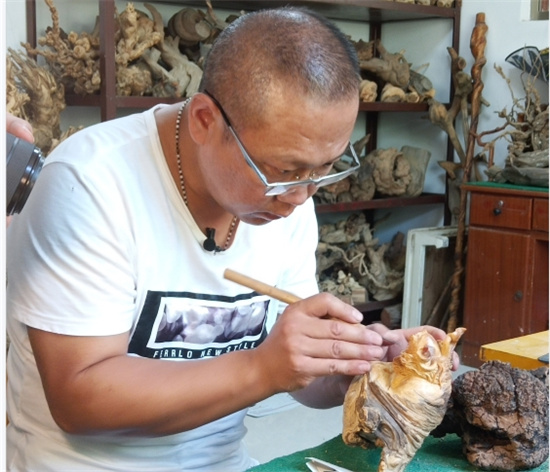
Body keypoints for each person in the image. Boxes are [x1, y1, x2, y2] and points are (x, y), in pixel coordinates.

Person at [6, 7, 458, 472]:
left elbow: (300, 377)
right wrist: (262, 368)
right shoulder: (87, 183)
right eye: (284, 170)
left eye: (325, 168)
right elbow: (79, 401)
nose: (300, 197)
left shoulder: (289, 197)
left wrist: (352, 364)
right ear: (204, 120)